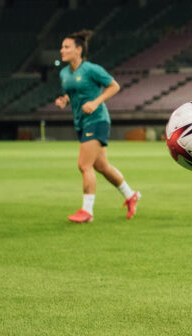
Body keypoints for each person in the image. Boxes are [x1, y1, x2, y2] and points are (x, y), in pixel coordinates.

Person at [54, 30, 140, 223]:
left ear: (78, 49)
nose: (62, 50)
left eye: (66, 47)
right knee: (102, 166)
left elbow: (114, 86)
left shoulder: (92, 69)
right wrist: (64, 100)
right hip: (81, 122)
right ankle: (130, 195)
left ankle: (87, 211)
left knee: (84, 165)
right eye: (62, 47)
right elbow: (73, 93)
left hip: (98, 120)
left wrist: (96, 102)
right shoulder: (64, 73)